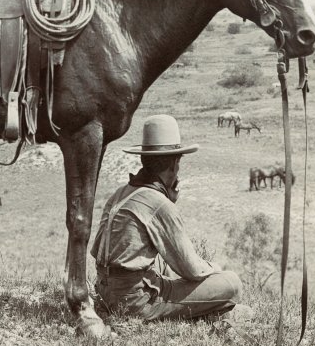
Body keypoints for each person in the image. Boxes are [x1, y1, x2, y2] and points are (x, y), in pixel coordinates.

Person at [91, 114, 242, 321]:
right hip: (135, 301)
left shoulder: (120, 193)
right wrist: (215, 268)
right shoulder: (159, 203)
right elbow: (191, 270)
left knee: (164, 271)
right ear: (174, 165)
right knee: (232, 283)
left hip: (104, 292)